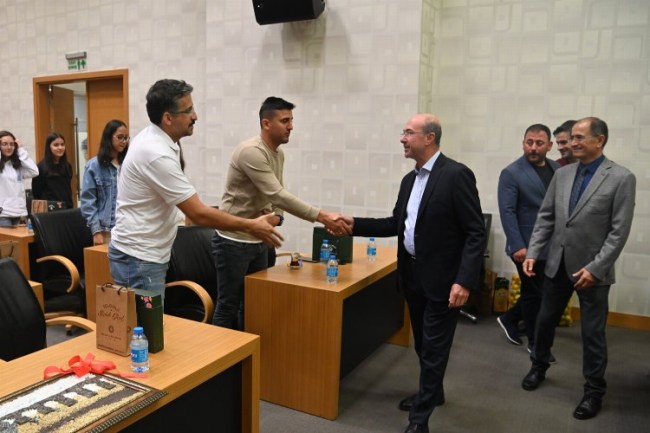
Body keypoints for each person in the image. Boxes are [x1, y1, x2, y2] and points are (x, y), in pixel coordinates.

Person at [341, 114, 486, 433]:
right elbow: (396, 224)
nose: (402, 138)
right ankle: (434, 392)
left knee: (434, 348)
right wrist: (354, 224)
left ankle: (419, 420)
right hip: (413, 276)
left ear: (429, 138)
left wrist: (464, 280)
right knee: (423, 343)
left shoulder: (456, 175)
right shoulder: (410, 180)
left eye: (408, 133)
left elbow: (476, 232)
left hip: (445, 281)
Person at [109, 79, 283, 302]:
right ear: (168, 118)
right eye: (188, 110)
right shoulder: (156, 153)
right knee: (144, 324)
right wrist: (251, 225)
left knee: (145, 322)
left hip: (143, 254)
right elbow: (198, 213)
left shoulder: (158, 139)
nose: (195, 116)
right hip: (138, 258)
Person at [521, 117, 636, 420]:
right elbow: (546, 217)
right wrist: (534, 251)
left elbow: (619, 231)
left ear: (600, 140)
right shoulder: (562, 174)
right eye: (571, 138)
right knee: (544, 321)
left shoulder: (621, 178)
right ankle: (538, 366)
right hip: (557, 264)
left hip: (592, 272)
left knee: (593, 334)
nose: (572, 143)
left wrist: (596, 268)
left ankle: (594, 391)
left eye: (580, 138)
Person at [212, 96, 351, 330]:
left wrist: (278, 217)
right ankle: (222, 354)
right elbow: (277, 194)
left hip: (261, 236)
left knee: (255, 302)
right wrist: (321, 216)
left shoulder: (278, 153)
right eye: (285, 121)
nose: (291, 126)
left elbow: (276, 196)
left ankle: (250, 352)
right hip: (234, 241)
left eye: (291, 120)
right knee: (228, 306)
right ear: (266, 123)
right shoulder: (251, 151)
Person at [496, 124, 559, 361]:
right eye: (529, 142)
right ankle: (535, 344)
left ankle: (510, 318)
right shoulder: (512, 173)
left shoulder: (557, 169)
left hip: (551, 245)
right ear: (523, 143)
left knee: (541, 293)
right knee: (535, 295)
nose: (533, 147)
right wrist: (518, 246)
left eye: (539, 143)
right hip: (525, 246)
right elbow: (507, 211)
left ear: (549, 146)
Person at [80, 119, 129, 246]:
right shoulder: (94, 166)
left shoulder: (128, 163)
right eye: (120, 137)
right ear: (109, 137)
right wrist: (96, 231)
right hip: (106, 230)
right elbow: (88, 201)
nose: (124, 141)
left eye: (126, 138)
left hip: (127, 228)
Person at [0, 131, 39, 227]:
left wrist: (21, 150)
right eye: (4, 144)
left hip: (19, 213)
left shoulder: (17, 166)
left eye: (12, 144)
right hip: (3, 215)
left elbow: (34, 171)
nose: (9, 147)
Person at [32, 132, 73, 209]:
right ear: (49, 147)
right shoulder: (41, 167)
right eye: (56, 145)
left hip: (67, 208)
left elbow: (68, 190)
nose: (60, 147)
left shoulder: (68, 166)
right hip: (50, 209)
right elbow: (36, 193)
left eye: (62, 144)